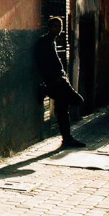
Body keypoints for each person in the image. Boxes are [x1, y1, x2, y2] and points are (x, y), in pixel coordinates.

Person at [35, 16, 86, 147]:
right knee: (77, 100)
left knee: (62, 110)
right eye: (55, 26)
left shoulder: (52, 41)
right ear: (49, 27)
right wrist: (53, 79)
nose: (58, 29)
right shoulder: (45, 41)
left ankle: (67, 138)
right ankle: (46, 90)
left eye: (60, 26)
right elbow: (43, 62)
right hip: (56, 81)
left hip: (58, 80)